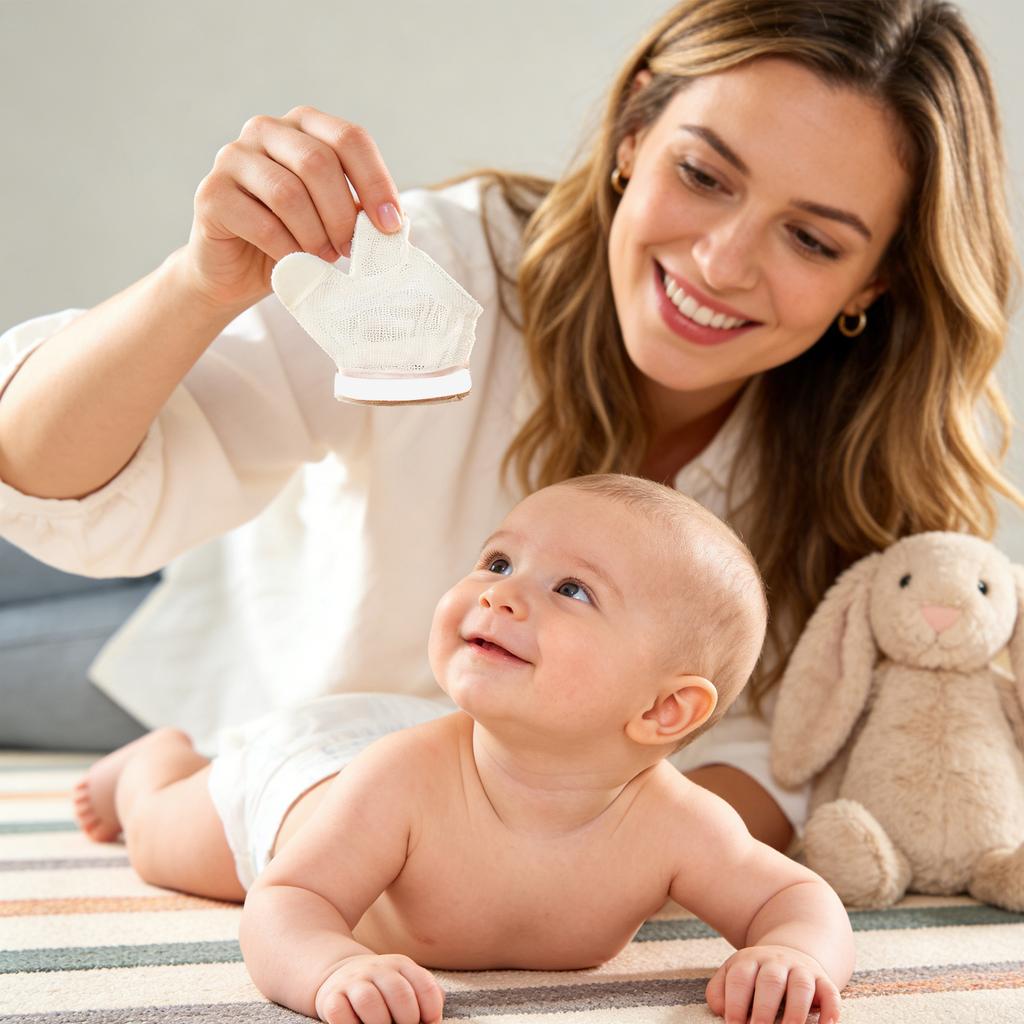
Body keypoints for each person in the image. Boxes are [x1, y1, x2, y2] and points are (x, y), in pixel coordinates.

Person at [0, 0, 1019, 852]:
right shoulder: (443, 272)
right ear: (633, 134)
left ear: (874, 279)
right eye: (703, 175)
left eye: (808, 236)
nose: (720, 261)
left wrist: (496, 851)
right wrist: (199, 283)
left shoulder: (872, 481)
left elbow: (776, 767)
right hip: (240, 621)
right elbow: (39, 471)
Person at [72, 476, 852, 1024]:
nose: (498, 593)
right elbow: (287, 902)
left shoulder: (679, 823)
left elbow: (797, 901)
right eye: (500, 561)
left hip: (396, 732)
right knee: (162, 843)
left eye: (572, 590)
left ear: (664, 708)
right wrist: (332, 968)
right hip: (302, 779)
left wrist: (794, 957)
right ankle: (152, 765)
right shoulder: (401, 781)